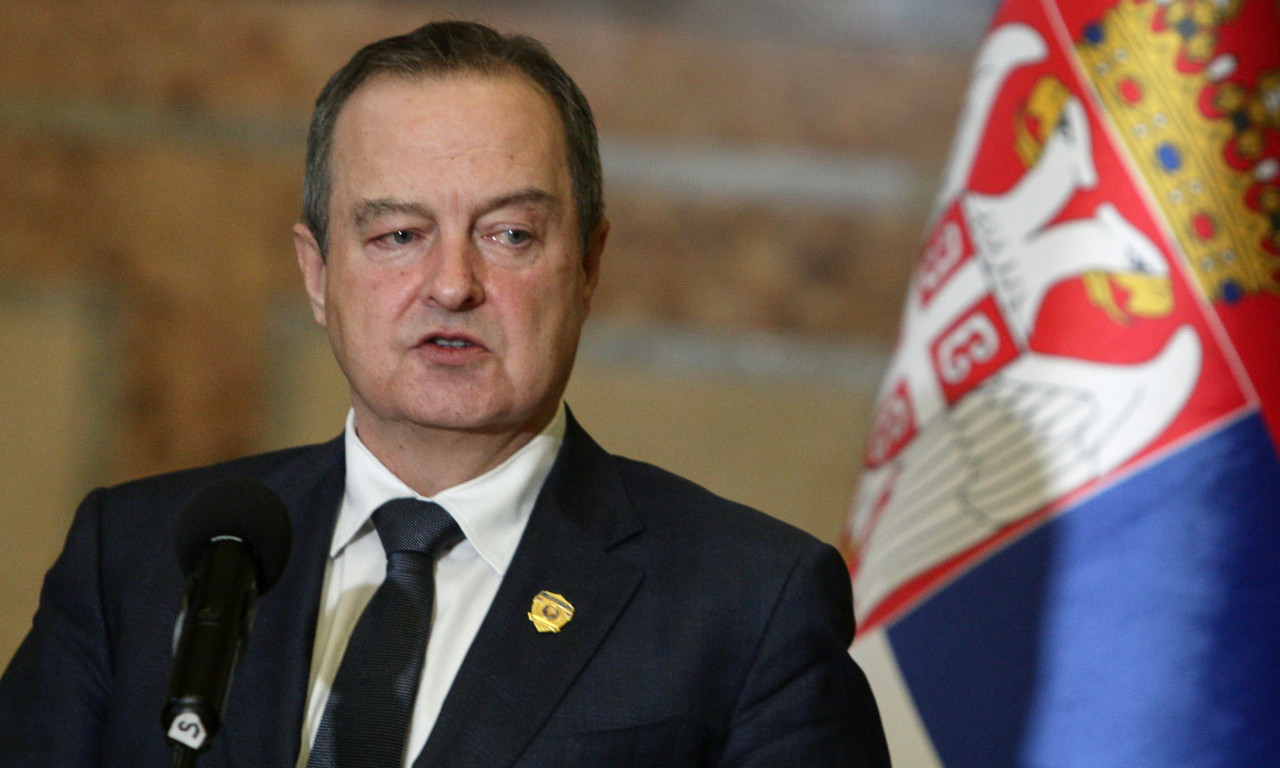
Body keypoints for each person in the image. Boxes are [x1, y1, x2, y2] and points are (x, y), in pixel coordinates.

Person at [0, 20, 890, 768]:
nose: (453, 285)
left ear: (588, 266)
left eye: (509, 234)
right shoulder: (134, 560)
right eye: (398, 234)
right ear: (316, 273)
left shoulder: (749, 605)